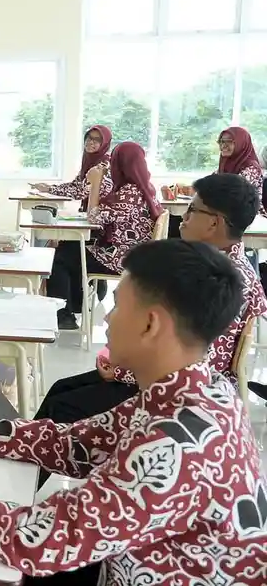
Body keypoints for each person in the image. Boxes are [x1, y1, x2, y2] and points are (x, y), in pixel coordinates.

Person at [0, 240, 265, 586]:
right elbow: (73, 444)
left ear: (150, 325)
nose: (107, 317)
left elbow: (39, 541)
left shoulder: (174, 445)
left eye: (118, 305)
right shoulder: (197, 390)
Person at [34, 173, 267, 430]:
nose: (184, 219)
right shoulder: (216, 265)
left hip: (183, 398)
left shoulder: (220, 279)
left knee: (62, 406)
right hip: (169, 379)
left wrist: (124, 369)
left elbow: (196, 360)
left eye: (192, 209)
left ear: (214, 223)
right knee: (61, 389)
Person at [46, 141, 161, 331]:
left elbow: (94, 217)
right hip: (130, 252)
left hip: (122, 258)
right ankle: (75, 305)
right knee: (68, 247)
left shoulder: (130, 192)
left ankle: (64, 315)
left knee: (57, 257)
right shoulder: (142, 187)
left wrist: (96, 184)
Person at [169, 125, 265, 237]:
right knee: (179, 223)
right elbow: (208, 185)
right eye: (221, 141)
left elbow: (233, 196)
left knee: (189, 226)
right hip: (222, 214)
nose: (223, 145)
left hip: (246, 218)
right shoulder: (224, 166)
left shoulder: (251, 167)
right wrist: (189, 189)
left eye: (229, 142)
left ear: (241, 144)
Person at [34, 125, 113, 206]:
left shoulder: (104, 164)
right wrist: (51, 187)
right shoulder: (90, 161)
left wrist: (50, 189)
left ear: (105, 143)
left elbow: (82, 192)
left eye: (97, 140)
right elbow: (75, 185)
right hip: (90, 211)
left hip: (102, 214)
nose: (91, 142)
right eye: (89, 137)